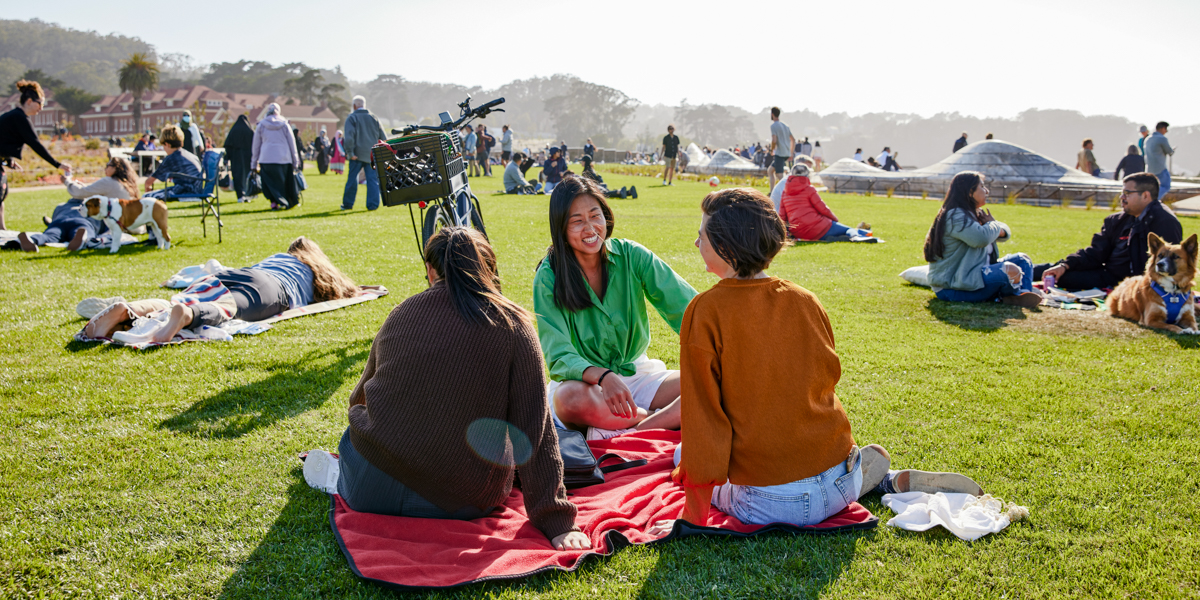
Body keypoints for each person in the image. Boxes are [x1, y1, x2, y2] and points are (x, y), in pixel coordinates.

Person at [649, 187, 979, 535]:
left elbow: (704, 420)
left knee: (681, 452)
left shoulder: (705, 310)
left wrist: (693, 516)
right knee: (814, 465)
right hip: (839, 483)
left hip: (770, 503)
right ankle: (874, 480)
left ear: (726, 246)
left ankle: (860, 480)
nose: (696, 243)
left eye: (701, 236)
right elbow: (825, 377)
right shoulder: (805, 299)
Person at [300, 227, 590, 551]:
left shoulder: (402, 312)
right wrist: (556, 522)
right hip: (462, 502)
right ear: (489, 269)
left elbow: (361, 397)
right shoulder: (513, 325)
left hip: (370, 489)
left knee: (355, 438)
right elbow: (535, 429)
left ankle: (342, 478)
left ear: (430, 270)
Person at [533, 176, 696, 440]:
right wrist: (604, 377)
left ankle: (633, 427)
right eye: (577, 221)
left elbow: (687, 309)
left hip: (640, 376)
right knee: (569, 399)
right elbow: (558, 353)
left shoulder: (633, 255)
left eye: (595, 216)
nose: (590, 228)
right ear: (561, 227)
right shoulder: (548, 276)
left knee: (711, 381)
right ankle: (661, 418)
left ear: (605, 216)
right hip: (587, 386)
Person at [82, 237, 359, 345]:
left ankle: (130, 309)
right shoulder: (315, 273)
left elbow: (251, 275)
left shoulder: (278, 257)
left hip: (244, 273)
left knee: (180, 298)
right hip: (274, 289)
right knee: (231, 308)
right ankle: (187, 315)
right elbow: (345, 292)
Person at [1034, 173, 1182, 291]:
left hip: (1137, 283)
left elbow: (1171, 264)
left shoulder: (1165, 222)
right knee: (1056, 272)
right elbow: (1095, 253)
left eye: (1127, 193)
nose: (1121, 197)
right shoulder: (1117, 220)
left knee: (1066, 280)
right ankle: (1016, 269)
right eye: (1122, 192)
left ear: (1145, 195)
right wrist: (1065, 265)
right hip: (1109, 274)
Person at [923, 171, 1041, 307]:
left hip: (974, 275)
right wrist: (992, 224)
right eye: (982, 187)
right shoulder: (955, 216)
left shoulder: (971, 214)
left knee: (1022, 259)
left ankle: (1022, 294)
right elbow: (981, 238)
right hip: (953, 287)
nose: (987, 191)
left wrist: (992, 226)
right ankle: (1010, 295)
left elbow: (1004, 232)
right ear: (969, 192)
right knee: (1010, 269)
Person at [12, 156, 138, 252]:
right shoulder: (127, 185)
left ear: (116, 168)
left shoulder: (108, 182)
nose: (105, 168)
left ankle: (34, 240)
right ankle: (83, 239)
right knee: (83, 231)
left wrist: (68, 182)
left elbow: (81, 192)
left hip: (62, 219)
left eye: (108, 165)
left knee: (51, 234)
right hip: (87, 222)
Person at [0, 80, 71, 230]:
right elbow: (35, 144)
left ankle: (2, 232)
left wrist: (8, 160)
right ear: (30, 101)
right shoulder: (19, 118)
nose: (41, 108)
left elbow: (4, 139)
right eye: (40, 103)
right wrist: (57, 164)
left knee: (2, 195)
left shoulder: (16, 117)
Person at [779, 164, 876, 242]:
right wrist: (834, 220)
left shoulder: (785, 192)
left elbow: (782, 216)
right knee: (847, 229)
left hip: (798, 232)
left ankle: (838, 237)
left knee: (835, 232)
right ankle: (856, 236)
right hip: (817, 226)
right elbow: (822, 208)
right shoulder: (809, 189)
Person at [251, 103, 300, 211]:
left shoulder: (261, 125)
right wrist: (295, 160)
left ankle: (274, 202)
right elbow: (292, 144)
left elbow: (256, 146)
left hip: (266, 158)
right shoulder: (285, 124)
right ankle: (284, 201)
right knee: (283, 182)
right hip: (283, 158)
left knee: (269, 183)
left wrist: (254, 162)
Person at [341, 95, 386, 211]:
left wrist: (350, 152)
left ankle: (348, 204)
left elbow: (349, 137)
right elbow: (383, 137)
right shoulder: (374, 117)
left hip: (357, 154)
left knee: (352, 180)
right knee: (372, 180)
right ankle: (373, 205)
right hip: (372, 155)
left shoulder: (352, 118)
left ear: (354, 106)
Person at [143, 125, 202, 200]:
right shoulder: (190, 155)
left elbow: (148, 182)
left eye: (163, 146)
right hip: (198, 190)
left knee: (146, 196)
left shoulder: (172, 158)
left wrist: (147, 189)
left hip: (186, 191)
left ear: (167, 144)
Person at [222, 115, 254, 203]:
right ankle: (247, 194)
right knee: (247, 177)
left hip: (235, 159)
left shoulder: (234, 131)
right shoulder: (249, 131)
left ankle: (240, 195)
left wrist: (226, 158)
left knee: (237, 177)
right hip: (247, 158)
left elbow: (228, 146)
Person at [1144, 122, 1174, 200]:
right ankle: (1154, 201)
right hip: (1160, 168)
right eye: (1165, 129)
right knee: (1165, 186)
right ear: (1162, 128)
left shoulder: (1148, 139)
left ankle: (1150, 200)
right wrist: (1172, 151)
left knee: (1151, 188)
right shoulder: (1162, 139)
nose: (1166, 131)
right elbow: (1169, 151)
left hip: (1149, 169)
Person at [768, 107, 795, 191]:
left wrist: (772, 150)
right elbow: (793, 140)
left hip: (780, 153)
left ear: (772, 114)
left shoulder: (773, 126)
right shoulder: (785, 125)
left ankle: (787, 192)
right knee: (770, 170)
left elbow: (774, 140)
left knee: (780, 176)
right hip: (786, 153)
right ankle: (772, 192)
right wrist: (791, 152)